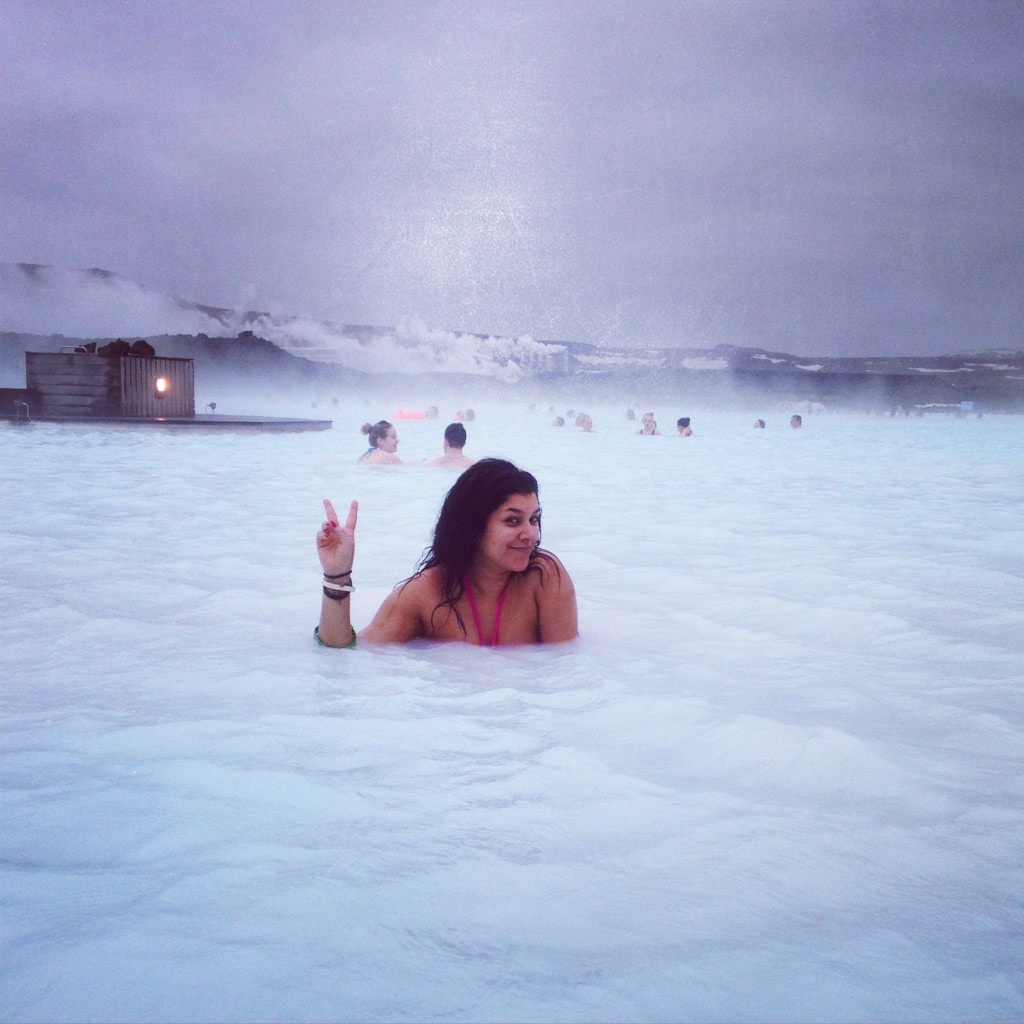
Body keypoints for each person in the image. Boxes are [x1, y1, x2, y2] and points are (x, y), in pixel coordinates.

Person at [315, 459, 578, 647]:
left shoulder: (544, 579)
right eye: (512, 521)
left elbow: (564, 670)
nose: (530, 533)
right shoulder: (426, 593)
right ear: (473, 525)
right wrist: (337, 575)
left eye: (534, 519)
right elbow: (350, 655)